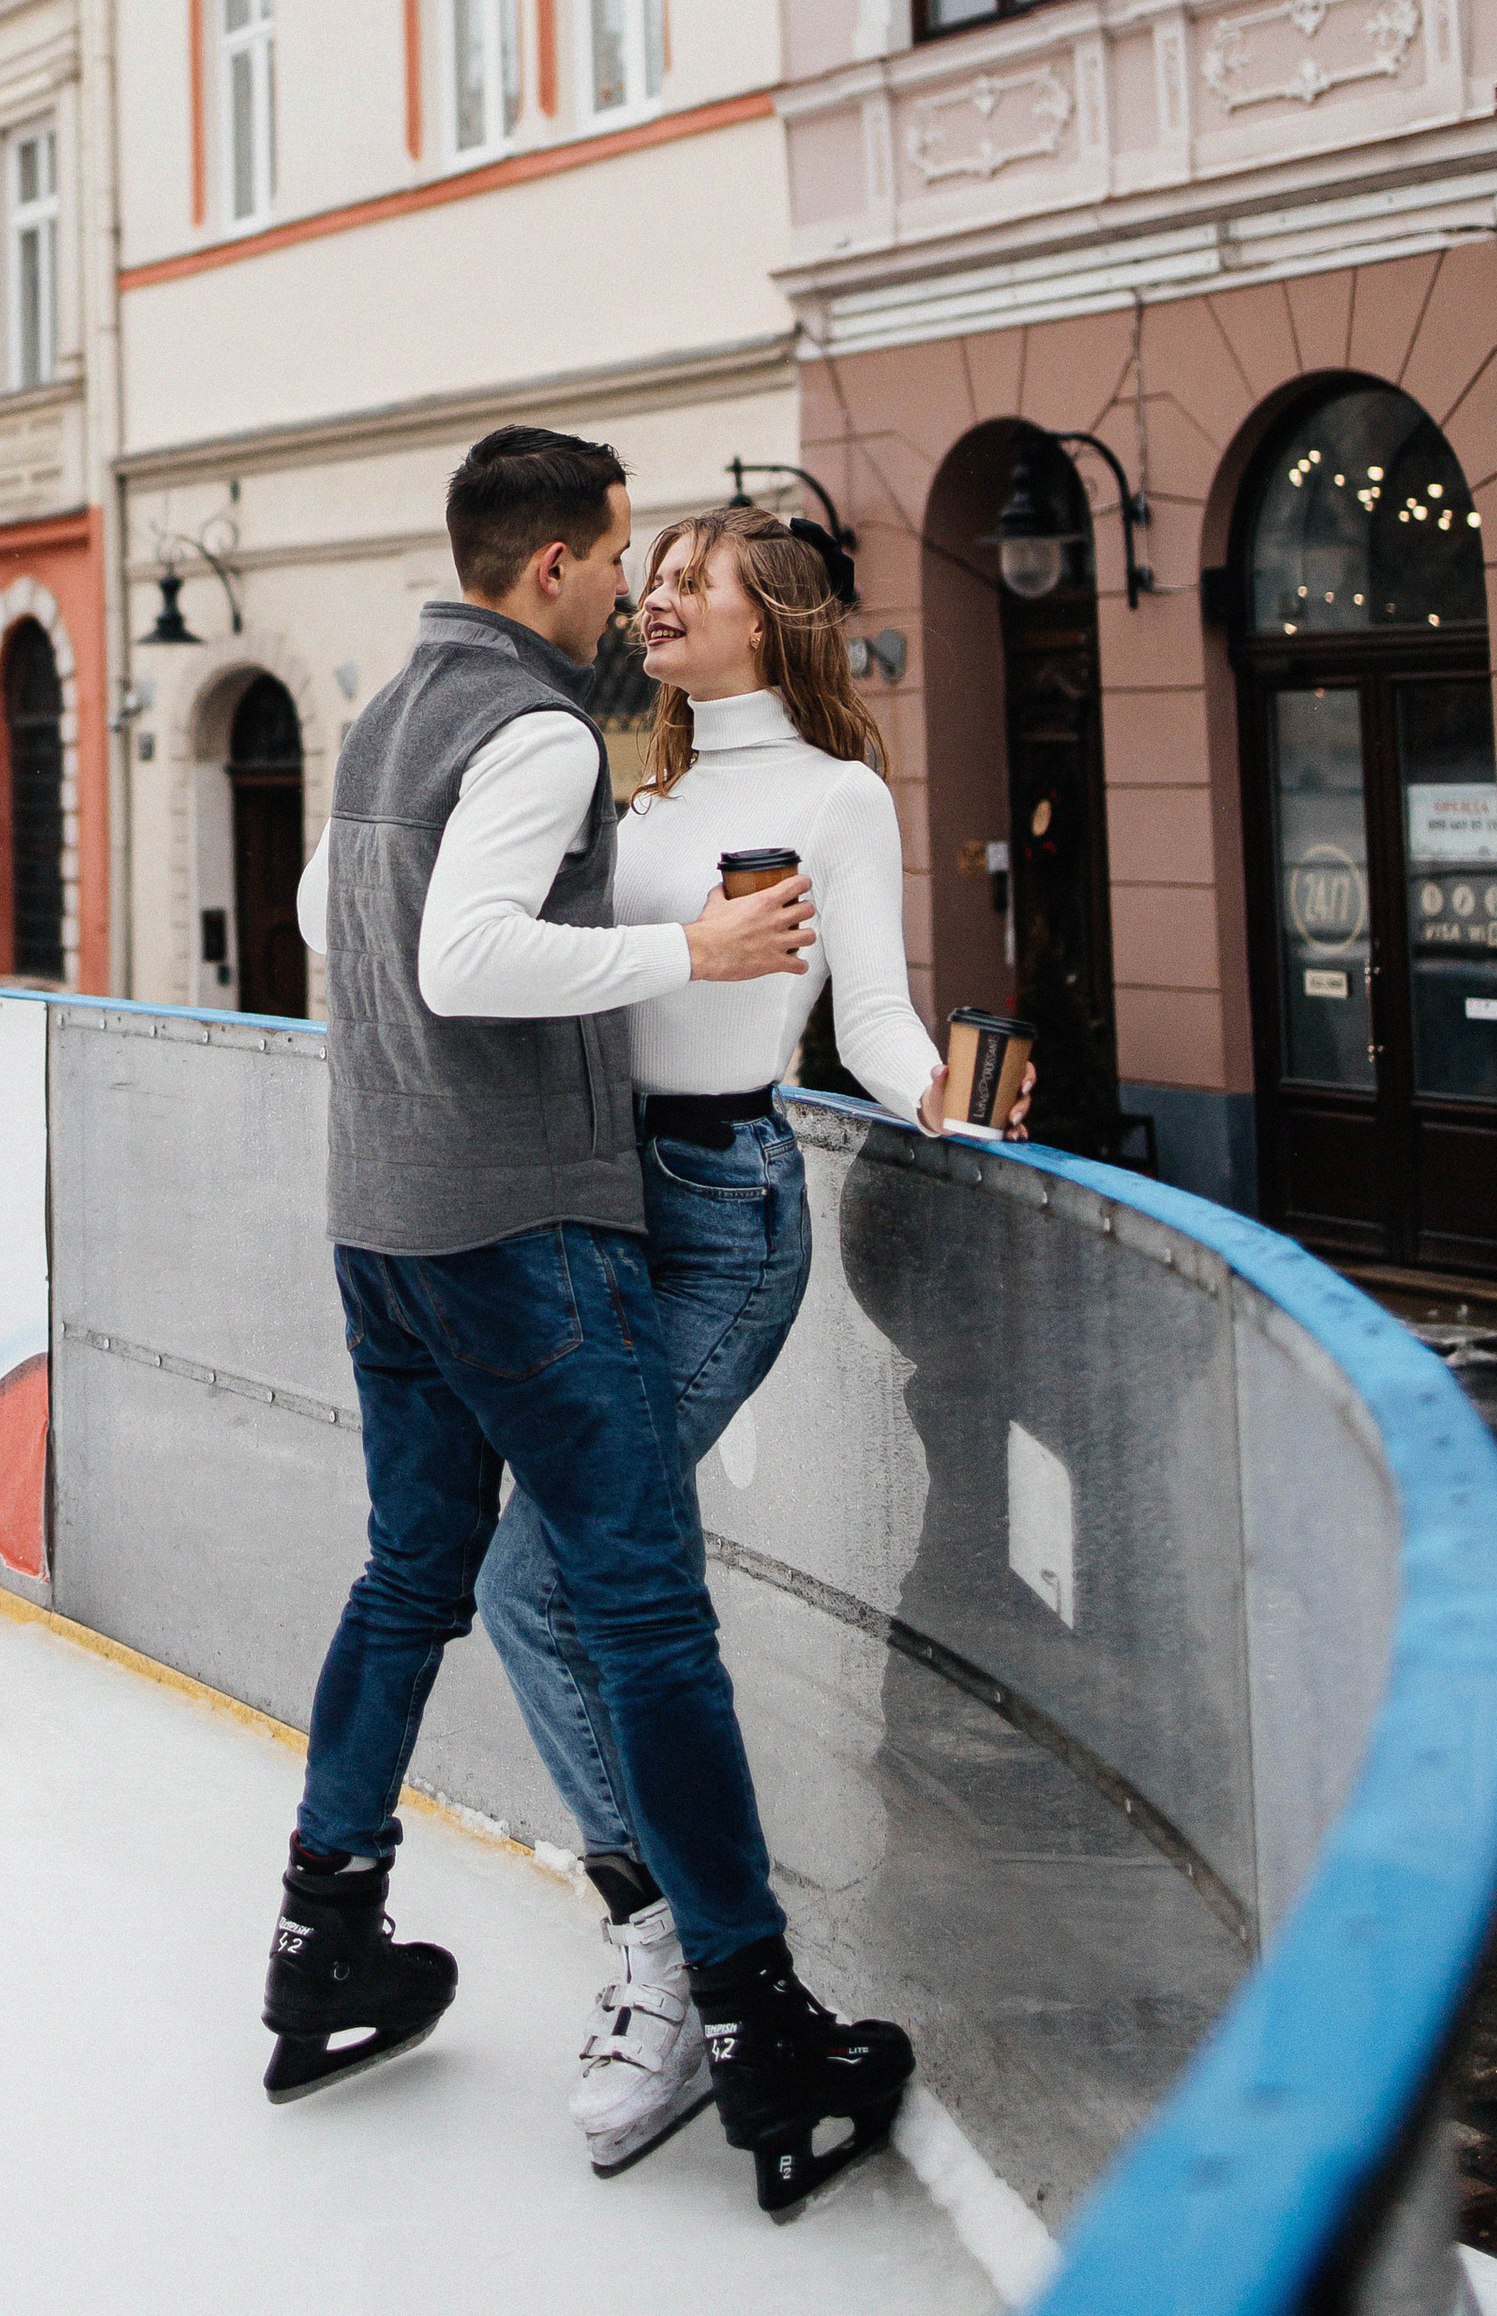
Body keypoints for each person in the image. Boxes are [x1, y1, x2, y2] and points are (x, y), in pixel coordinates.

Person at [261, 427, 917, 2217]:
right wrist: (678, 958)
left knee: (417, 1580)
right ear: (553, 565)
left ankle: (327, 1938)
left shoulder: (395, 706)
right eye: (625, 556)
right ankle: (752, 2021)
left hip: (384, 1223)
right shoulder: (546, 730)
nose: (636, 589)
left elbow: (338, 915)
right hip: (526, 1230)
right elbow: (464, 961)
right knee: (636, 1609)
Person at [479, 500, 991, 2176]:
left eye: (688, 579)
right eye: (658, 578)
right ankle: (692, 1952)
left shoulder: (836, 797)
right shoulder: (651, 796)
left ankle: (668, 1952)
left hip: (724, 1217)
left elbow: (876, 1016)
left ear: (769, 615)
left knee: (541, 1577)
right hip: (602, 1213)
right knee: (582, 1586)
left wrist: (951, 1100)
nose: (658, 598)